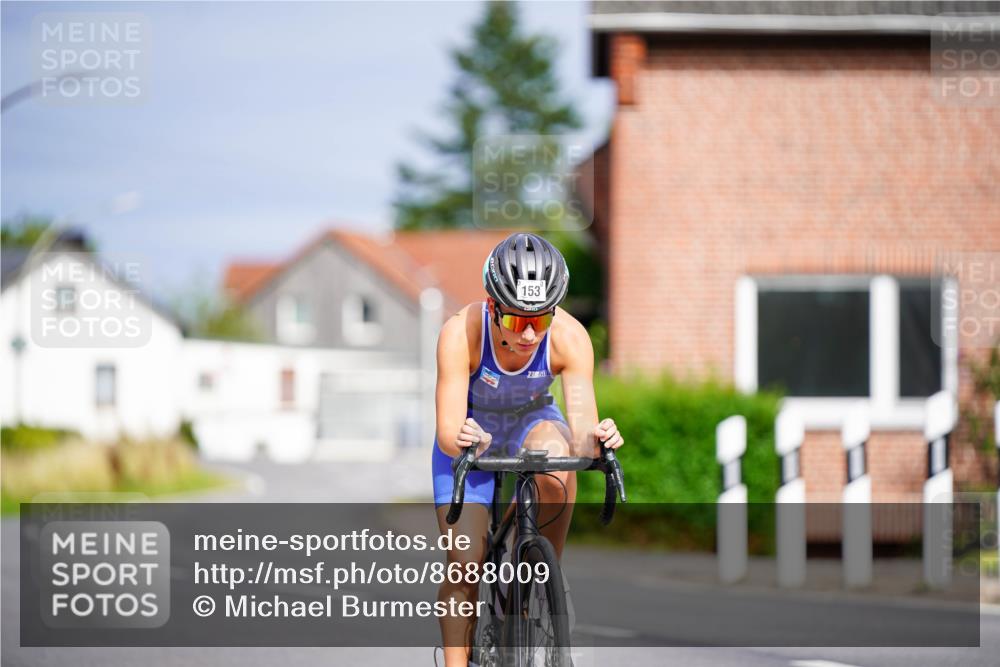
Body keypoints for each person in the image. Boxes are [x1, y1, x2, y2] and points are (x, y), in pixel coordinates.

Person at [431, 231, 624, 666]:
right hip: (471, 434)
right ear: (493, 306)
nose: (531, 334)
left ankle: (535, 571)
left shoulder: (570, 338)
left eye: (542, 319)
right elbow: (446, 431)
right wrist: (465, 438)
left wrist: (600, 438)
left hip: (534, 424)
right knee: (465, 564)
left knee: (557, 459)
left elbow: (581, 430)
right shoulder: (460, 332)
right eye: (518, 321)